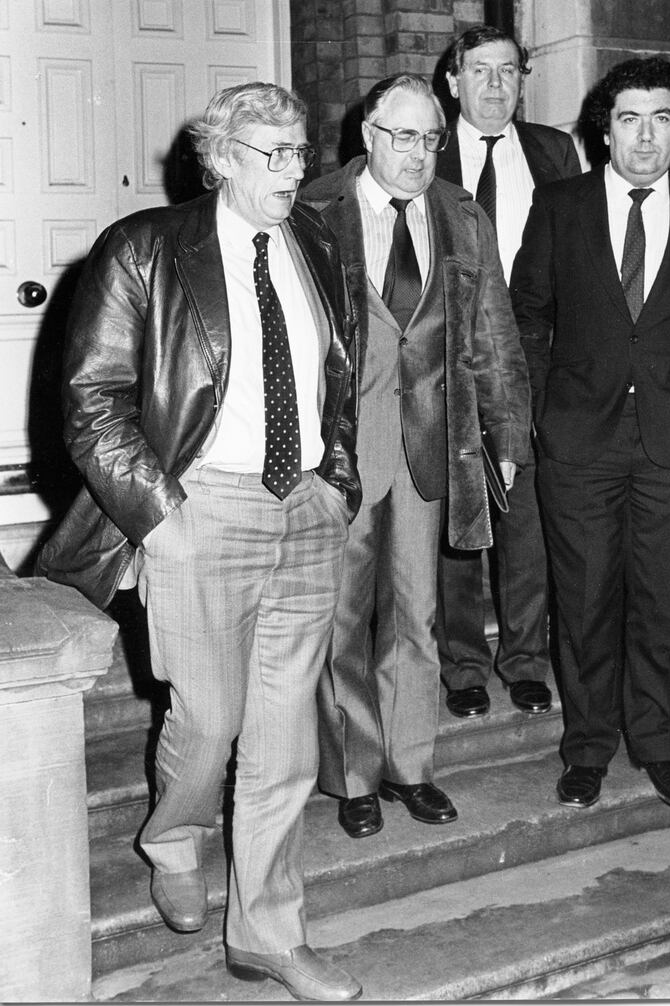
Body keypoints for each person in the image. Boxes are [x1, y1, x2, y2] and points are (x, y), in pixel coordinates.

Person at [36, 82, 363, 1001]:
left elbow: (340, 376)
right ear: (219, 159)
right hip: (199, 510)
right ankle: (172, 836)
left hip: (303, 510)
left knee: (286, 737)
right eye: (271, 154)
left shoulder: (320, 244)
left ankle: (268, 931)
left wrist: (335, 483)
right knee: (210, 719)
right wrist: (160, 518)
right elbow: (91, 404)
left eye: (299, 153)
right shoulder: (145, 249)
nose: (292, 172)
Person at [509, 56, 670, 811]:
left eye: (662, 120)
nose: (645, 137)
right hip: (580, 440)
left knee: (659, 598)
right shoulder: (560, 205)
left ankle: (655, 744)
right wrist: (548, 411)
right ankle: (586, 747)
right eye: (628, 119)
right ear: (603, 130)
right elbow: (527, 317)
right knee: (581, 601)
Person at [301, 73, 530, 840]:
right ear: (368, 135)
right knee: (340, 619)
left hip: (432, 449)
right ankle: (353, 773)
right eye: (403, 136)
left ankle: (411, 766)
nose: (419, 153)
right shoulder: (312, 209)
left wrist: (505, 437)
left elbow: (494, 333)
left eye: (431, 138)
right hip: (339, 454)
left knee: (418, 616)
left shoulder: (462, 214)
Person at [434, 24, 581, 720]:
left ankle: (524, 658)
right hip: (450, 355)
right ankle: (462, 663)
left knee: (525, 514)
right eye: (480, 71)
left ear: (523, 81)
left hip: (536, 356)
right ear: (452, 80)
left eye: (509, 72)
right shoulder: (424, 155)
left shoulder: (555, 150)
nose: (496, 86)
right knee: (459, 507)